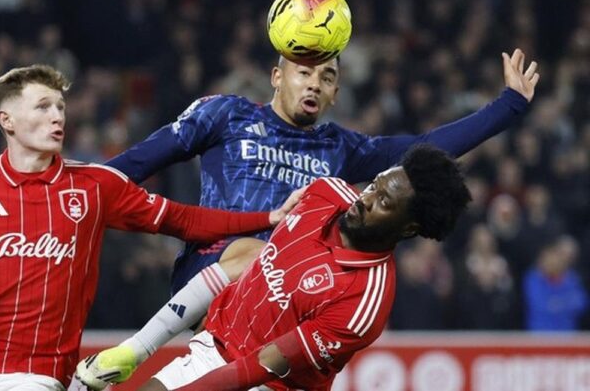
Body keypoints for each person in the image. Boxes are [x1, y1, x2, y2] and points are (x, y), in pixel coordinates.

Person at [75, 48, 540, 384]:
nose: (314, 83)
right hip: (217, 280)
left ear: (336, 94)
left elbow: (422, 156)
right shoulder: (226, 114)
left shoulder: (341, 150)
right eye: (304, 72)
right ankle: (135, 350)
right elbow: (134, 165)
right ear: (277, 76)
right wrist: (74, 195)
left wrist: (509, 106)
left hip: (285, 320)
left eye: (328, 77)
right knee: (254, 250)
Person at [0, 65, 303, 391]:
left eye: (60, 107)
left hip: (36, 376)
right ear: (6, 120)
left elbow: (183, 219)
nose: (57, 117)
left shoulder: (94, 186)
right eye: (43, 106)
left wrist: (266, 220)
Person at [93, 143, 472, 391]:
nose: (366, 199)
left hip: (264, 383)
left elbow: (262, 365)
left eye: (384, 202)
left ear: (408, 228)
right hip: (211, 349)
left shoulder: (363, 303)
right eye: (373, 185)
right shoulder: (325, 193)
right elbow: (250, 257)